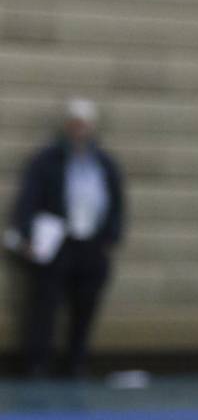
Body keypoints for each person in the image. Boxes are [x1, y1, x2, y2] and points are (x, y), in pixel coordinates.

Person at [5, 98, 126, 377]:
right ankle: (37, 363)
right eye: (75, 124)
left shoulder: (104, 163)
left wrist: (111, 235)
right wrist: (25, 233)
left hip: (91, 244)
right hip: (58, 241)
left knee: (85, 308)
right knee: (44, 306)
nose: (79, 130)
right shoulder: (48, 161)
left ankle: (76, 362)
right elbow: (29, 199)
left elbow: (116, 202)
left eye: (84, 125)